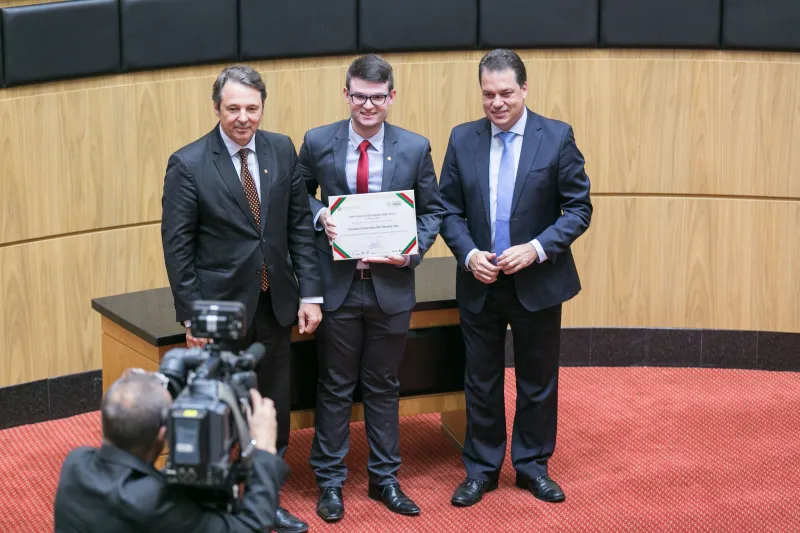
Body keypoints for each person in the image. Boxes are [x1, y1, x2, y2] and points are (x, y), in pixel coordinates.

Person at [161, 64, 321, 533]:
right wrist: (192, 316)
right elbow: (178, 247)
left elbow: (296, 229)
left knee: (271, 407)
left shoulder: (281, 149)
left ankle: (264, 501)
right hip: (220, 314)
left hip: (275, 306)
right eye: (233, 108)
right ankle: (215, 507)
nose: (243, 118)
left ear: (263, 107)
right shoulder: (188, 163)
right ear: (217, 109)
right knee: (219, 411)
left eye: (252, 108)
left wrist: (310, 293)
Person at [439, 49, 592, 507]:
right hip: (480, 281)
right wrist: (467, 255)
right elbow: (448, 209)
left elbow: (578, 208)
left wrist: (537, 248)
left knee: (537, 379)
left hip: (538, 281)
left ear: (524, 89)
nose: (497, 103)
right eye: (488, 94)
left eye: (506, 93)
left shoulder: (557, 137)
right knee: (480, 380)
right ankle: (482, 469)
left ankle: (532, 466)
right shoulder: (462, 139)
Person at [298, 54, 443, 522]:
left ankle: (385, 480)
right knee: (335, 386)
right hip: (337, 287)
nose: (367, 105)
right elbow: (296, 194)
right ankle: (331, 483)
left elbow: (433, 211)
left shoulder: (416, 147)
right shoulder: (318, 142)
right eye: (359, 95)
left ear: (391, 97)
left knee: (383, 385)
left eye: (377, 97)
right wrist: (321, 216)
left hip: (390, 286)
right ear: (346, 94)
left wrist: (413, 248)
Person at [54, 372, 286, 532]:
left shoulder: (75, 463)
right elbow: (251, 527)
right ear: (163, 436)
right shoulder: (155, 503)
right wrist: (264, 451)